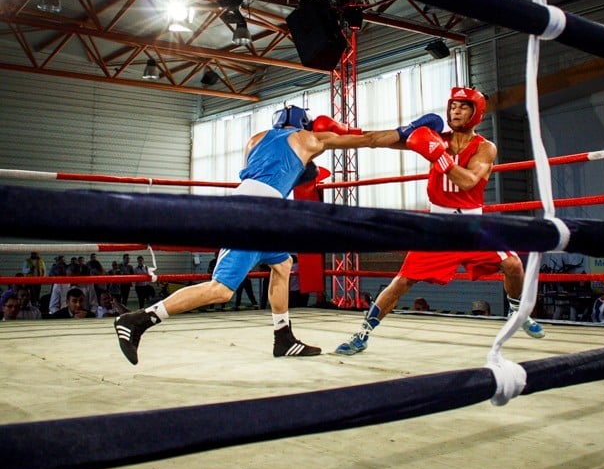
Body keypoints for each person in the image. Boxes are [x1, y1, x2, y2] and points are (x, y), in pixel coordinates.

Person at [114, 102, 442, 365]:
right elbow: (368, 140)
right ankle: (139, 319)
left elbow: (269, 172)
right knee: (221, 290)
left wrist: (303, 169)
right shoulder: (309, 138)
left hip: (259, 208)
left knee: (282, 265)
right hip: (255, 214)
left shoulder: (255, 139)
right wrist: (405, 132)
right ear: (304, 124)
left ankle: (283, 337)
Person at [335, 86, 545, 355]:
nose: (455, 110)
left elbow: (469, 181)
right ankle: (362, 334)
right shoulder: (434, 138)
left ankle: (518, 312)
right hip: (437, 225)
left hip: (471, 225)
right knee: (402, 281)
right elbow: (381, 140)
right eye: (452, 106)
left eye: (463, 106)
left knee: (513, 264)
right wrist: (344, 134)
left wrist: (438, 155)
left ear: (476, 112)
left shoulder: (485, 148)